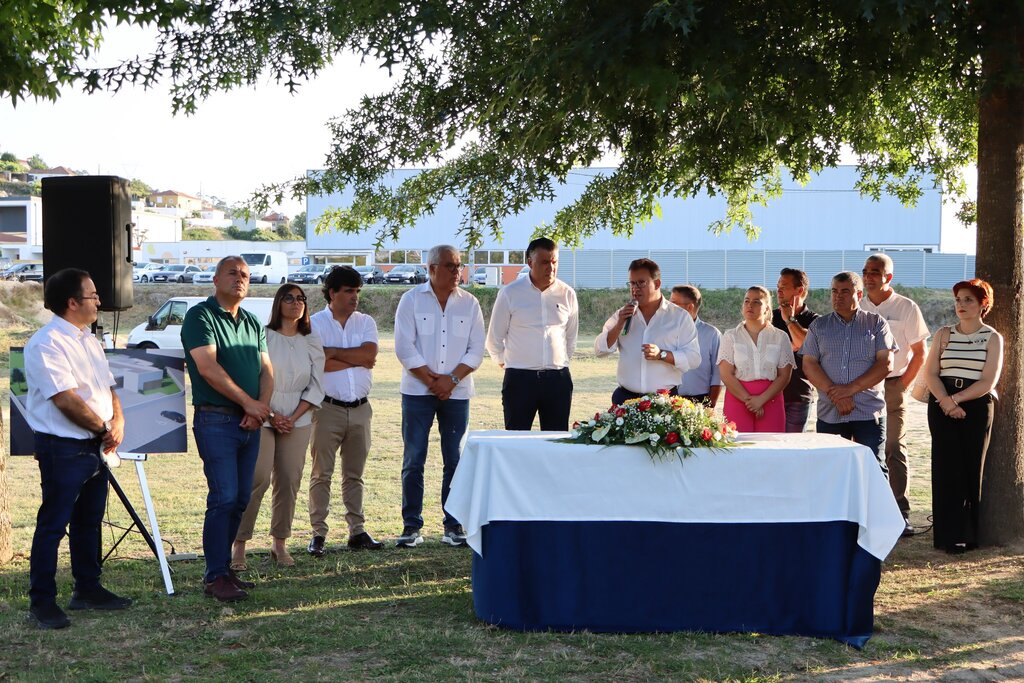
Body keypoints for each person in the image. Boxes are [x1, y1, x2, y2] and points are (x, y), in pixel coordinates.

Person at [23, 268, 130, 629]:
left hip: (95, 446)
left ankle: (87, 588)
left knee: (89, 522)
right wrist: (104, 429)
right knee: (53, 524)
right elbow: (65, 400)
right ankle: (42, 601)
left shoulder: (89, 339)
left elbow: (108, 389)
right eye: (93, 295)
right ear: (72, 302)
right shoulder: (46, 343)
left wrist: (117, 422)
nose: (99, 301)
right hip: (63, 448)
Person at [182, 255, 273, 602]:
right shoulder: (199, 316)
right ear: (215, 279)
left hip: (250, 422)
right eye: (233, 273)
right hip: (216, 419)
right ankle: (215, 575)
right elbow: (207, 366)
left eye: (246, 275)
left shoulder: (252, 321)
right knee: (224, 497)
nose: (240, 279)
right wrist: (248, 404)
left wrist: (258, 408)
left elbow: (267, 371)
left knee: (240, 499)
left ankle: (223, 570)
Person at [394, 245, 485, 548]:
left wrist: (451, 380)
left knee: (455, 460)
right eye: (449, 265)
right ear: (430, 269)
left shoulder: (470, 304)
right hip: (417, 393)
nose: (457, 271)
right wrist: (433, 381)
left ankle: (453, 524)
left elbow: (476, 350)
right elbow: (404, 348)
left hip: (457, 394)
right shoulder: (410, 301)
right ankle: (411, 526)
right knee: (414, 458)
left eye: (459, 265)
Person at [233, 284, 325, 568]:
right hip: (264, 415)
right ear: (278, 303)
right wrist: (272, 415)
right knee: (257, 478)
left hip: (298, 418)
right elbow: (253, 376)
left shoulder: (311, 340)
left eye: (301, 299)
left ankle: (279, 543)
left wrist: (293, 417)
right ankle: (238, 545)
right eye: (289, 298)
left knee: (289, 479)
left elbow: (317, 384)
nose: (296, 303)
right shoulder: (263, 335)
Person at [307, 266, 384, 555]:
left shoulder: (365, 322)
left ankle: (357, 531)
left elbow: (369, 355)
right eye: (349, 291)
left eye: (357, 291)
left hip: (361, 409)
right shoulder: (313, 323)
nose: (355, 297)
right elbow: (318, 364)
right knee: (321, 474)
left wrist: (334, 352)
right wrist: (354, 359)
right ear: (331, 293)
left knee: (355, 474)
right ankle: (318, 534)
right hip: (326, 409)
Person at [924, 279, 1003, 554]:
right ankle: (945, 535)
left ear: (983, 304)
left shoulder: (992, 337)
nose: (961, 305)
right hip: (941, 403)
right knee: (945, 468)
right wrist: (945, 401)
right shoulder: (944, 334)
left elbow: (989, 380)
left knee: (971, 468)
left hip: (976, 406)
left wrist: (956, 400)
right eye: (958, 299)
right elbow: (931, 373)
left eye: (968, 299)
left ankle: (966, 534)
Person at [860, 253, 930, 534]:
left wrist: (902, 385)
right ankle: (866, 514)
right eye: (865, 271)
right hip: (861, 384)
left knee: (893, 447)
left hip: (892, 384)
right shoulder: (858, 305)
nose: (868, 276)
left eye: (875, 271)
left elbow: (919, 352)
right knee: (864, 449)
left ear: (888, 276)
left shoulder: (906, 307)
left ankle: (899, 514)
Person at [801, 272, 897, 471]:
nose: (838, 296)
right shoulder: (819, 326)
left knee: (874, 469)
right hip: (830, 413)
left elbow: (886, 363)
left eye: (845, 291)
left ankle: (874, 504)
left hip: (868, 413)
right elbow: (809, 364)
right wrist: (836, 394)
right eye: (834, 291)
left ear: (859, 295)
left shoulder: (876, 324)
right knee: (830, 470)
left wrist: (850, 389)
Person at [485, 237, 578, 430]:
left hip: (557, 380)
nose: (550, 267)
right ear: (529, 262)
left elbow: (570, 338)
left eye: (554, 262)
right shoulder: (510, 293)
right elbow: (494, 339)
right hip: (519, 380)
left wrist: (558, 362)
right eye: (544, 262)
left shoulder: (567, 294)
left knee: (556, 441)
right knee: (515, 441)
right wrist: (508, 363)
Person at [595, 258, 701, 405]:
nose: (635, 288)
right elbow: (600, 350)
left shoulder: (679, 317)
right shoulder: (622, 314)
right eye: (632, 283)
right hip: (626, 399)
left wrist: (662, 355)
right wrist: (619, 324)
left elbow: (694, 358)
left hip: (665, 401)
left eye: (641, 283)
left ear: (657, 284)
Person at [718, 286, 795, 432]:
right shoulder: (730, 336)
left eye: (756, 302)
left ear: (767, 309)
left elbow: (785, 376)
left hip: (770, 400)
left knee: (771, 448)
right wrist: (749, 401)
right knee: (737, 449)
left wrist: (761, 400)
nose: (750, 305)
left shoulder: (780, 337)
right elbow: (726, 374)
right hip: (737, 398)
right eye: (747, 301)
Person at [771, 268, 820, 432]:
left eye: (783, 286)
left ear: (799, 290)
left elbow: (804, 343)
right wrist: (790, 346)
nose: (778, 290)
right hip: (769, 394)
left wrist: (790, 320)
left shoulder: (814, 320)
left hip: (798, 396)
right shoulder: (769, 317)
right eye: (778, 285)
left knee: (793, 446)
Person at [670, 285, 723, 407]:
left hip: (700, 401)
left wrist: (710, 404)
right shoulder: (663, 331)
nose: (669, 308)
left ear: (689, 307)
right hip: (667, 399)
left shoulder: (712, 334)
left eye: (673, 304)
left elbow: (718, 373)